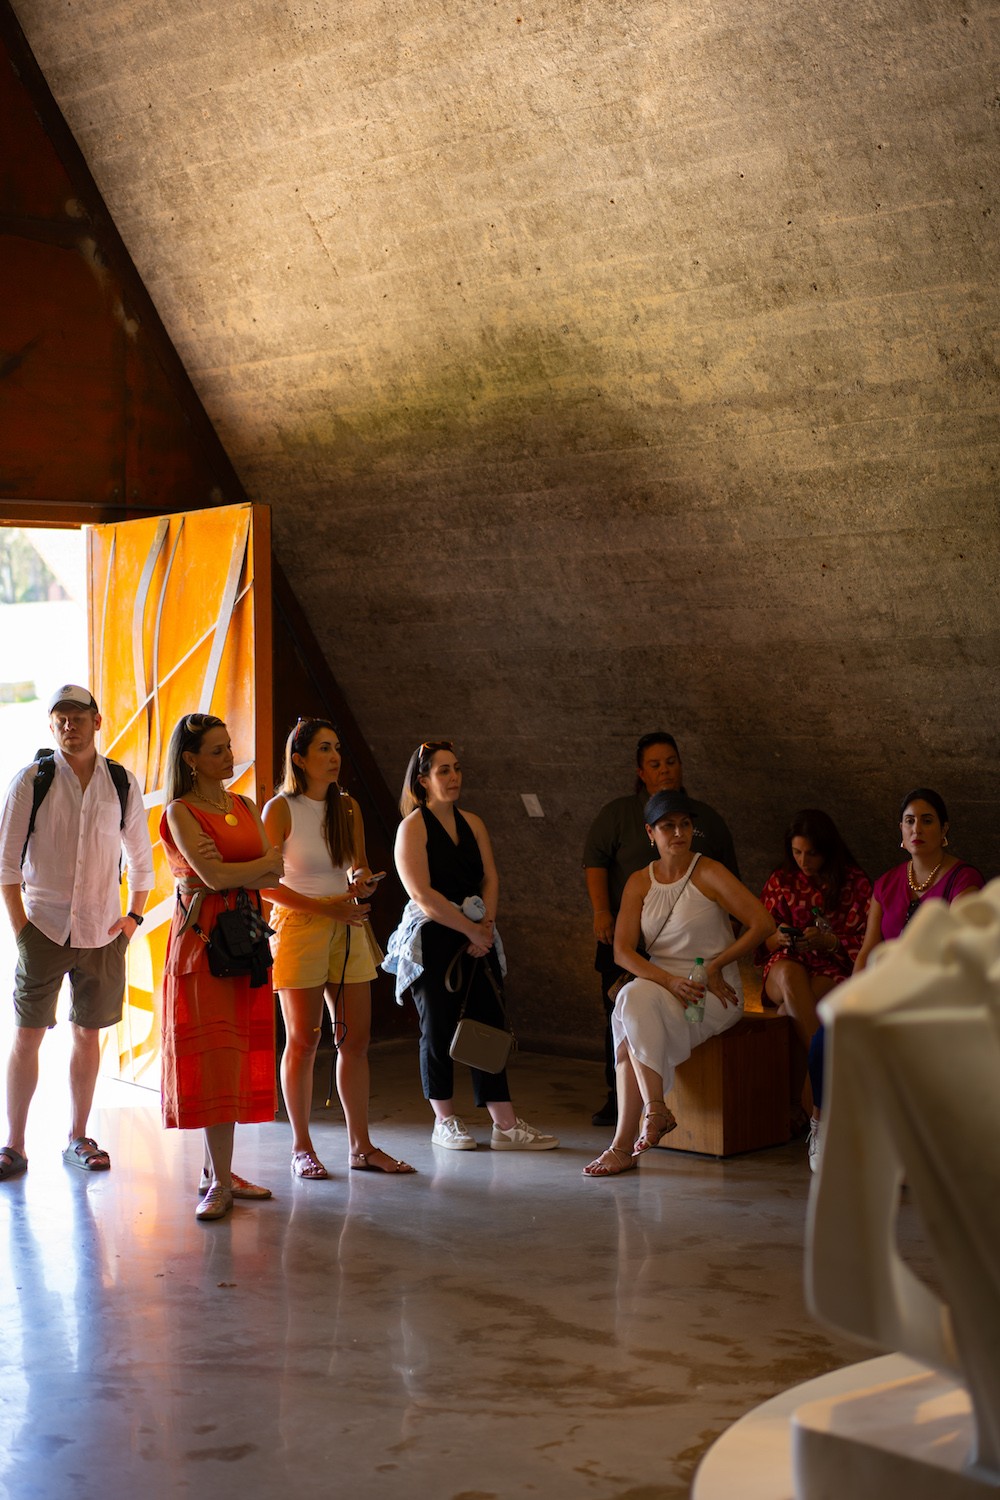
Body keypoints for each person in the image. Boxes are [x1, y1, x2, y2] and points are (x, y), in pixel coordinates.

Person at [0, 685, 153, 1181]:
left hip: (103, 932)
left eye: (78, 717)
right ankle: (14, 1145)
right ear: (51, 725)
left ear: (97, 721)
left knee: (88, 1034)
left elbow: (142, 860)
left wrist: (132, 920)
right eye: (61, 718)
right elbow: (5, 864)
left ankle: (78, 1137)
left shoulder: (121, 782)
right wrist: (22, 931)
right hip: (43, 929)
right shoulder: (32, 781)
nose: (70, 726)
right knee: (27, 1034)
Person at [584, 790, 773, 1177]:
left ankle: (625, 1143)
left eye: (685, 824)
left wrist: (717, 965)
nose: (678, 833)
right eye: (667, 826)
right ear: (650, 833)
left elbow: (763, 923)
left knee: (628, 1017)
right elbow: (622, 952)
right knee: (631, 998)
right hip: (662, 984)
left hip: (712, 990)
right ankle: (654, 1110)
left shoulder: (710, 872)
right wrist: (669, 981)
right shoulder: (639, 882)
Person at [385, 740, 558, 1152]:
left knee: (489, 1024)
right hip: (434, 933)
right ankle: (444, 1121)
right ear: (423, 780)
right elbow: (421, 893)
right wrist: (469, 929)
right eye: (443, 770)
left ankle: (505, 1125)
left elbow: (490, 878)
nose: (454, 777)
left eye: (457, 768)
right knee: (438, 1028)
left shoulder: (473, 823)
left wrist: (486, 927)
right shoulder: (413, 827)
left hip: (479, 932)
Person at [261, 719, 414, 1178]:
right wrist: (327, 907)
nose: (334, 757)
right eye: (324, 749)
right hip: (300, 927)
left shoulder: (348, 807)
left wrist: (361, 881)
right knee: (304, 1041)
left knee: (355, 1040)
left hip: (347, 925)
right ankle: (301, 1148)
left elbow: (357, 867)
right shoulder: (279, 808)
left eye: (337, 748)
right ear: (299, 759)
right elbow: (265, 884)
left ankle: (361, 1147)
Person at [808, 788, 984, 1174]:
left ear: (944, 829)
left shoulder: (963, 879)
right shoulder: (887, 882)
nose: (917, 828)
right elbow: (868, 949)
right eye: (909, 821)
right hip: (886, 991)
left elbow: (960, 954)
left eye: (927, 820)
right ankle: (821, 1126)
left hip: (938, 996)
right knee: (826, 1037)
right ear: (901, 831)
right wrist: (852, 998)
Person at [160, 712, 285, 1220]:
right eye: (217, 750)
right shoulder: (180, 811)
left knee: (233, 1055)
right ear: (191, 760)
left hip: (246, 937)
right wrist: (249, 868)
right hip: (204, 943)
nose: (229, 756)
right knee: (214, 1058)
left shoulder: (245, 805)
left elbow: (274, 870)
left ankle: (219, 1173)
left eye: (228, 746)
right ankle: (219, 1182)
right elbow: (212, 878)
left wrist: (238, 871)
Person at [583, 732, 739, 1126]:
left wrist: (719, 959)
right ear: (641, 772)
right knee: (624, 1006)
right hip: (633, 937)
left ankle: (651, 1108)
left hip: (698, 954)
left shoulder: (707, 821)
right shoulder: (619, 815)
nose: (664, 770)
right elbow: (595, 861)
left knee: (656, 1012)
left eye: (671, 761)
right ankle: (624, 1101)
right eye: (655, 764)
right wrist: (601, 911)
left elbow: (736, 894)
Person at [758, 810, 871, 1152]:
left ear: (828, 850)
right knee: (791, 976)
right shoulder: (781, 880)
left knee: (788, 1013)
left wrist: (828, 941)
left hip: (830, 969)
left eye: (811, 853)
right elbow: (760, 941)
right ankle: (832, 1082)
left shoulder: (855, 882)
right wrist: (779, 937)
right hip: (784, 966)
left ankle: (795, 1107)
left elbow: (867, 943)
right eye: (796, 852)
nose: (803, 861)